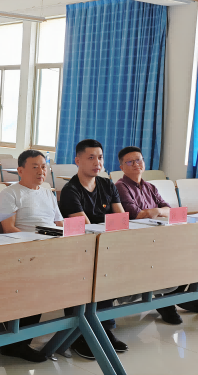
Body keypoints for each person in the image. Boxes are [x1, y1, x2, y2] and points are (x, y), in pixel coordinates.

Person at [115, 146, 198, 323]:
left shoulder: (150, 187)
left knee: (196, 251)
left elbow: (169, 210)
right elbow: (137, 215)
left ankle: (176, 297)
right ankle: (165, 301)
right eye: (130, 162)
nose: (136, 164)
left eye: (139, 160)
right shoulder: (120, 186)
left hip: (160, 234)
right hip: (139, 238)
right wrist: (157, 211)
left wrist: (156, 211)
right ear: (122, 167)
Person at [59, 139, 127, 360]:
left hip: (106, 244)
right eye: (91, 158)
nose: (97, 162)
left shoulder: (107, 184)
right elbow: (86, 227)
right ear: (77, 160)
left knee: (108, 279)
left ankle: (104, 328)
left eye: (100, 157)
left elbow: (121, 218)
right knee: (86, 282)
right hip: (79, 250)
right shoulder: (71, 190)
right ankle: (78, 335)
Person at [0, 149, 62, 363]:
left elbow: (59, 224)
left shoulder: (48, 193)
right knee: (37, 286)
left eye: (44, 167)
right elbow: (9, 228)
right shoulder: (11, 193)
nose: (41, 171)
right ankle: (18, 344)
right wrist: (38, 241)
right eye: (35, 167)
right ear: (20, 170)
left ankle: (75, 331)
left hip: (52, 247)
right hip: (25, 251)